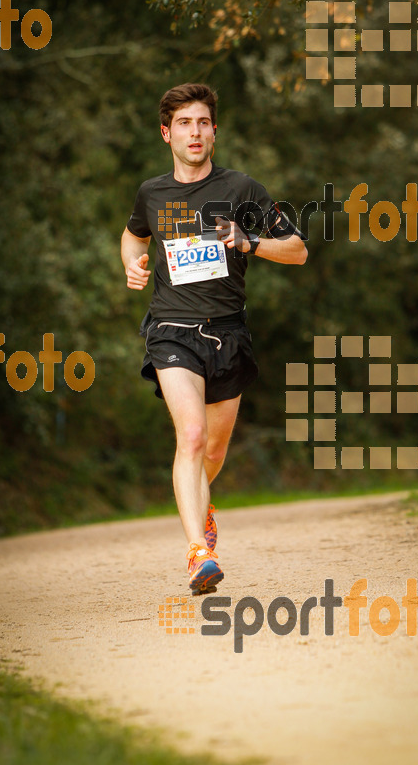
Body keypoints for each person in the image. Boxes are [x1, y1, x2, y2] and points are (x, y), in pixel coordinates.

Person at [121, 83, 307, 595]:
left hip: (228, 333)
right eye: (184, 123)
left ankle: (204, 506)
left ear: (214, 131)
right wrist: (131, 266)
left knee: (214, 451)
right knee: (193, 436)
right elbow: (133, 233)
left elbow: (297, 250)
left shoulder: (242, 189)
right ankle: (198, 552)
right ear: (166, 134)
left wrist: (250, 241)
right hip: (171, 331)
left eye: (203, 122)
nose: (195, 132)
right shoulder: (151, 192)